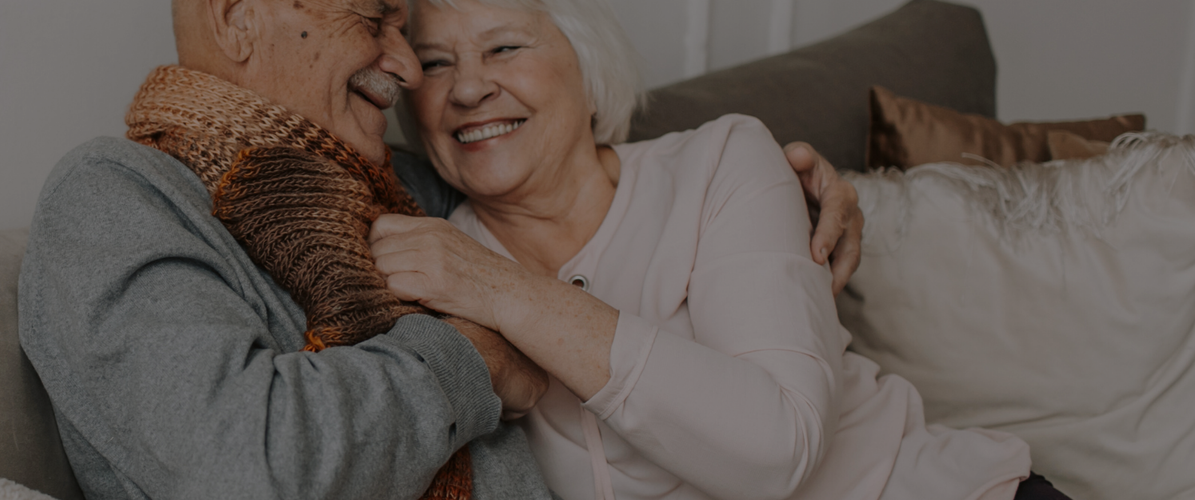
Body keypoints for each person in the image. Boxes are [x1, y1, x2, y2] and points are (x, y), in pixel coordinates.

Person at [17, 0, 863, 498]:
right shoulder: (117, 197)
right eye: (378, 20)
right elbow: (241, 467)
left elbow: (569, 180)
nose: (409, 72)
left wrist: (803, 191)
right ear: (239, 16)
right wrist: (476, 361)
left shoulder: (403, 188)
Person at [367, 0, 1063, 499]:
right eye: (434, 63)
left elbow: (777, 451)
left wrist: (505, 291)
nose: (466, 88)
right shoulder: (431, 252)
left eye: (504, 47)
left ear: (586, 66)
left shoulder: (721, 163)